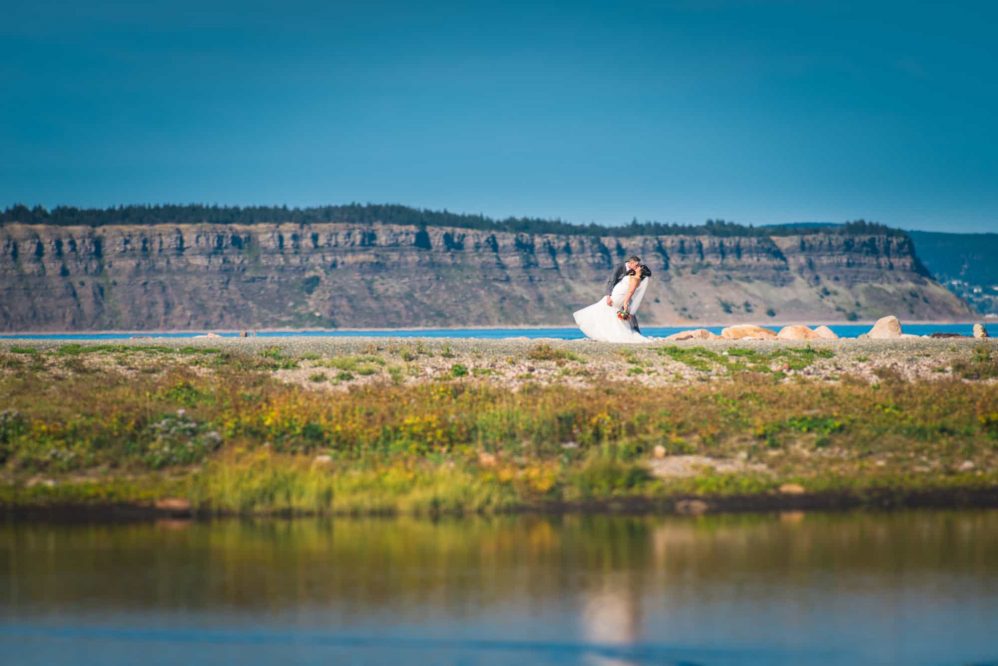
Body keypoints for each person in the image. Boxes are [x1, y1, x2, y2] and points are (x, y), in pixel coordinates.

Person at [574, 264, 653, 343]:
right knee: (606, 313)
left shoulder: (636, 278)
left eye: (639, 267)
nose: (637, 267)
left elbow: (630, 292)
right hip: (616, 294)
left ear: (641, 271)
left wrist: (625, 303)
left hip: (618, 297)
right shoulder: (633, 275)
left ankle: (605, 334)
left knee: (602, 309)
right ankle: (605, 333)